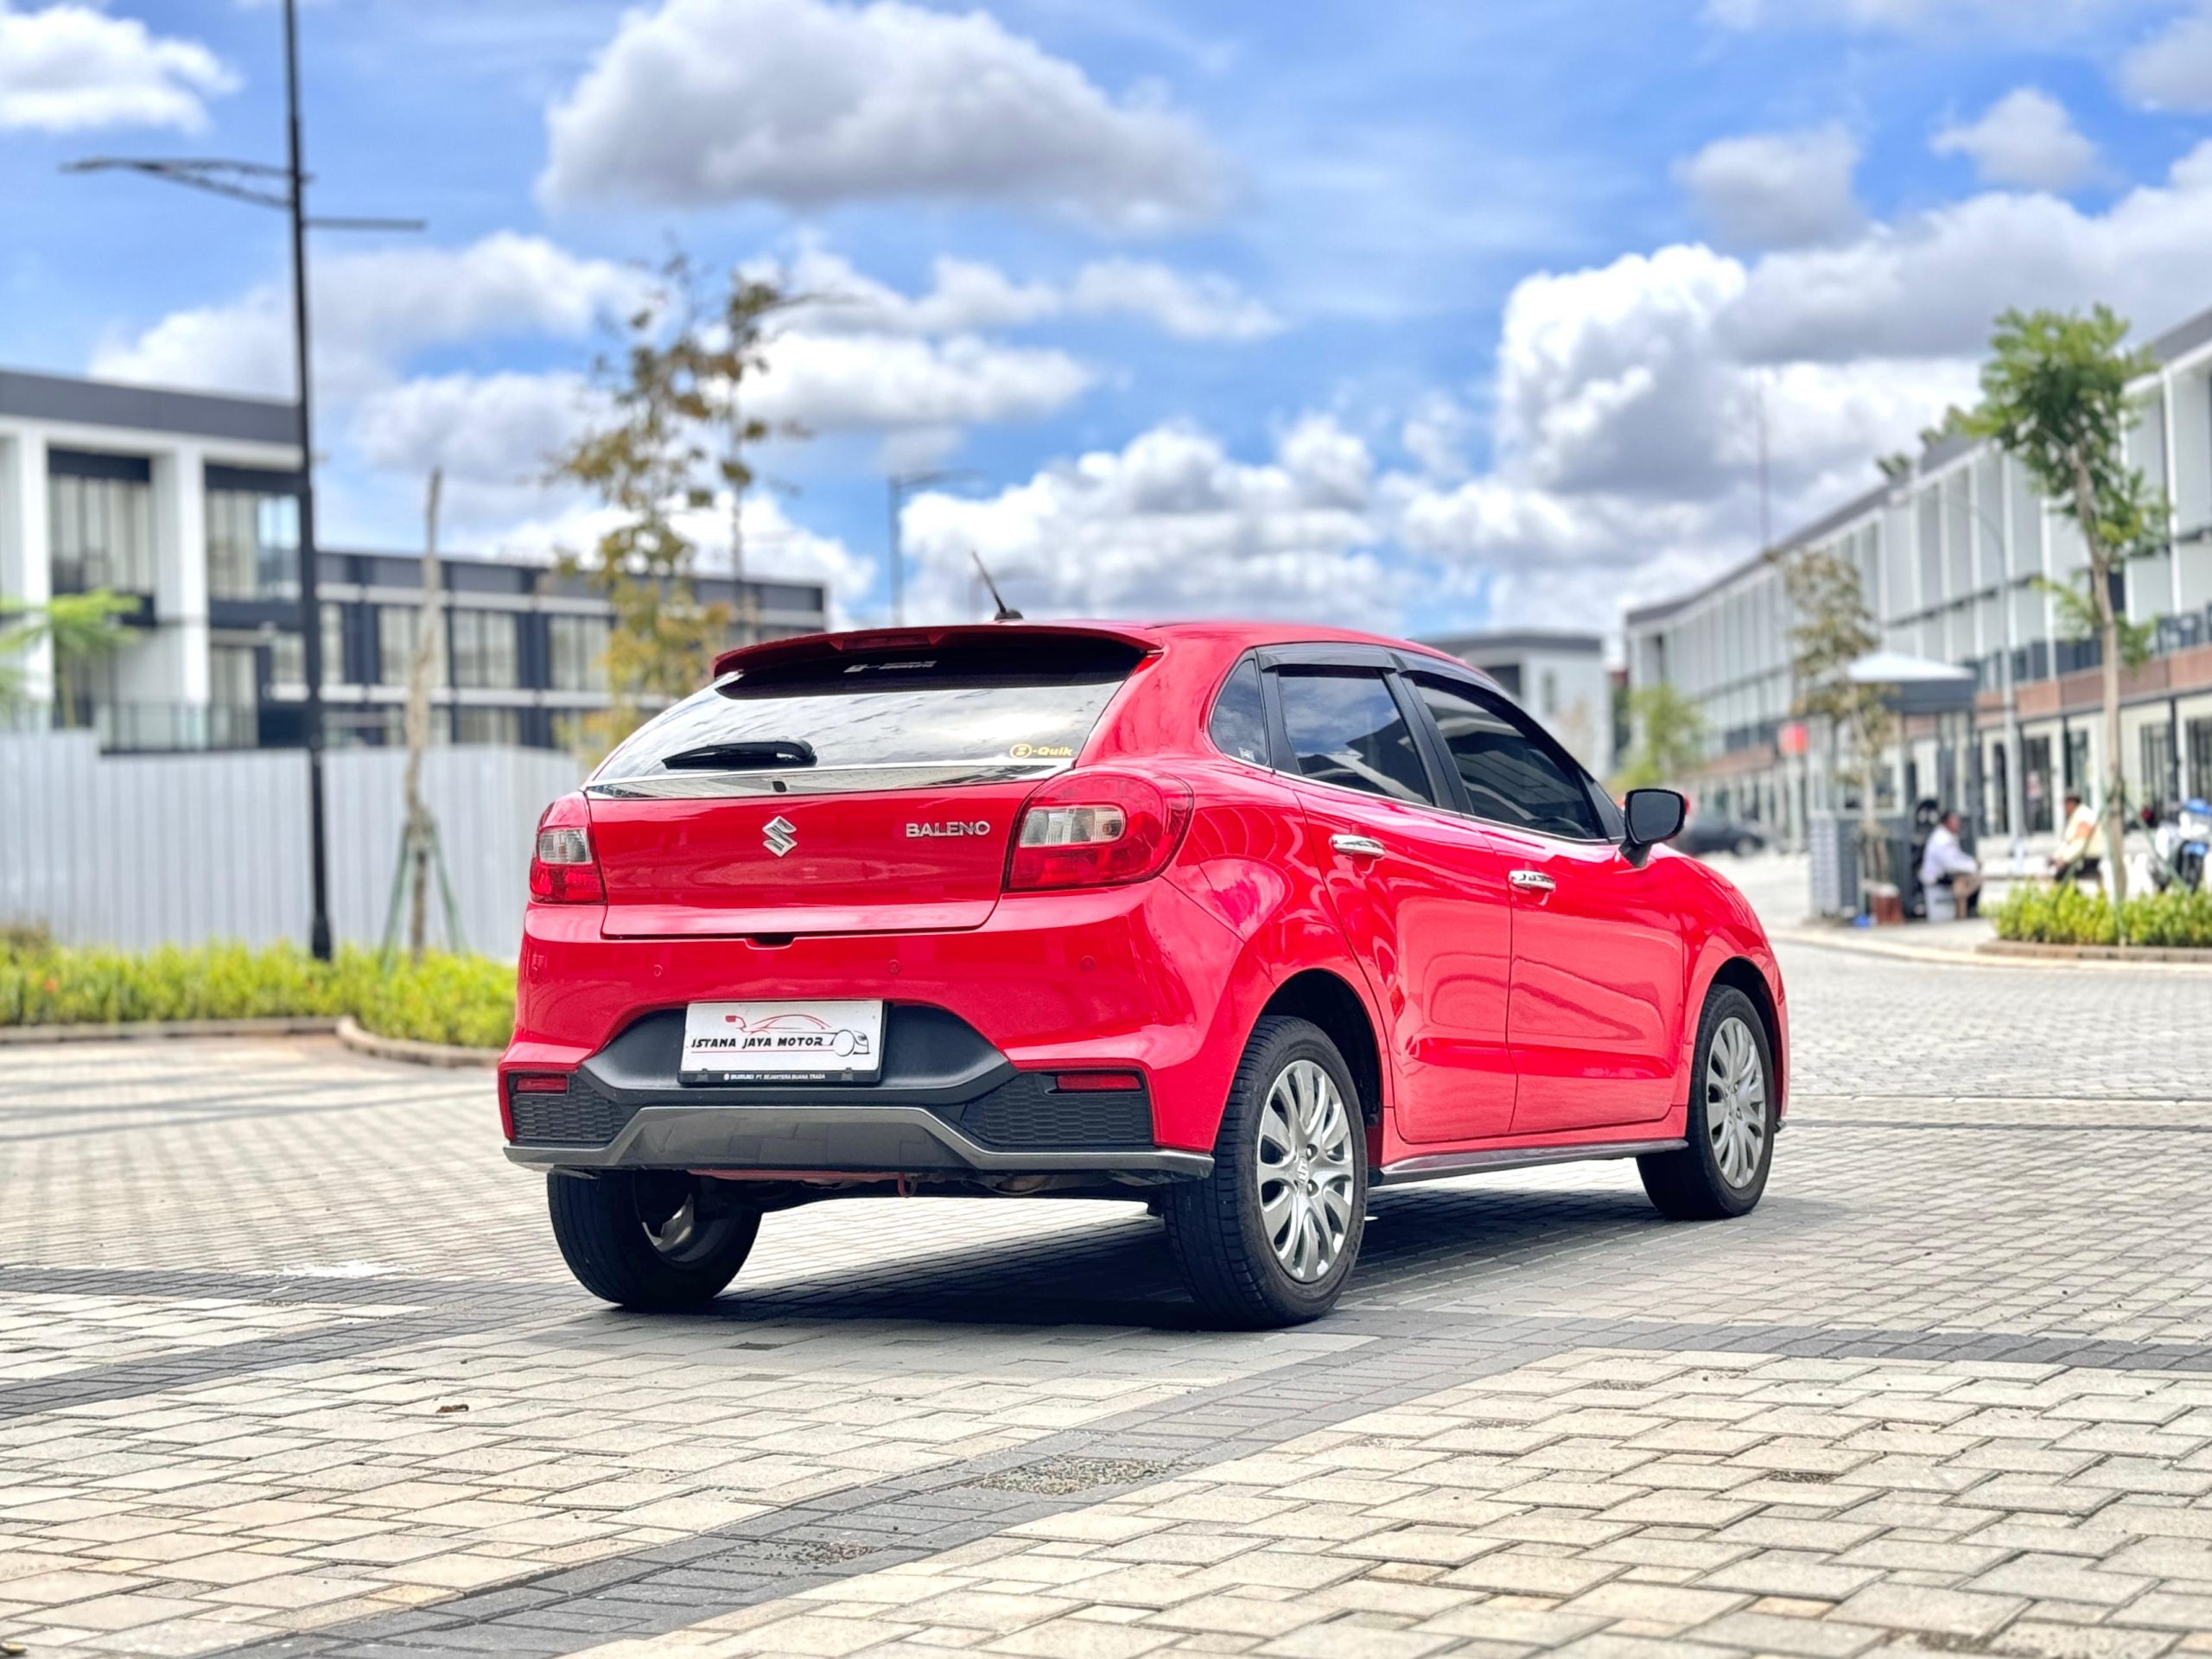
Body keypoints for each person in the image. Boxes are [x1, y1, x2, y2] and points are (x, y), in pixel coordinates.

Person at [1919, 809, 1981, 918]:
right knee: (1970, 881)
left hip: (1945, 875)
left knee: (1973, 880)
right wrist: (1972, 866)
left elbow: (1957, 856)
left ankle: (1963, 912)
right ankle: (1962, 914)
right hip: (1937, 878)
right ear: (1947, 822)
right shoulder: (1941, 839)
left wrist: (1972, 862)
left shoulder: (1948, 836)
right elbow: (1950, 864)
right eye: (1955, 821)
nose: (1958, 824)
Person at [2051, 791, 2102, 886]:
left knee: (2061, 876)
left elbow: (2080, 843)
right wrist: (2056, 856)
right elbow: (2068, 841)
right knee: (2060, 875)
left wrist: (2064, 859)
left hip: (2088, 857)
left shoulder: (2084, 817)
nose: (2064, 809)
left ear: (2071, 803)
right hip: (2079, 855)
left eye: (2065, 805)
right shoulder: (2077, 816)